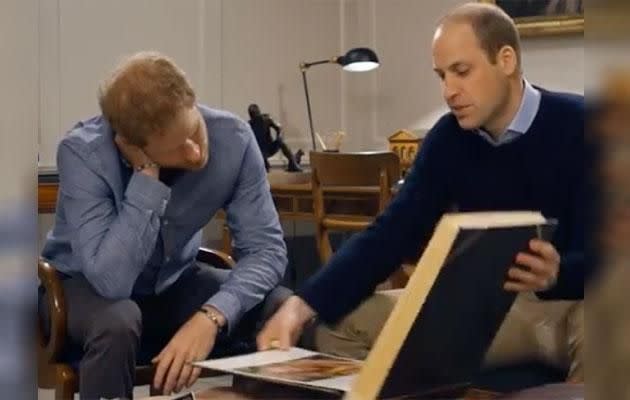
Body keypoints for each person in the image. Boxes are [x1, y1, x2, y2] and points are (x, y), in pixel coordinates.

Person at [258, 2, 586, 383]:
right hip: (487, 310)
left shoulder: (583, 125)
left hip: (575, 305)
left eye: (461, 72)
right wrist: (300, 305)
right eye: (441, 76)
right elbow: (391, 234)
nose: (449, 91)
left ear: (507, 60)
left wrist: (560, 272)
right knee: (337, 325)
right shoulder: (448, 139)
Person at [38, 51, 290, 399]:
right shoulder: (83, 154)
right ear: (130, 146)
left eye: (194, 132)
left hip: (174, 283)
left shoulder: (234, 139)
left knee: (283, 307)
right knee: (118, 320)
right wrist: (147, 181)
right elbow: (111, 282)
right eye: (175, 149)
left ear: (192, 100)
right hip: (79, 290)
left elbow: (267, 251)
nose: (194, 153)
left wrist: (212, 316)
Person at [247, 103, 303, 172]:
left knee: (281, 141)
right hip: (259, 152)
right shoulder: (249, 125)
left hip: (270, 148)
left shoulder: (267, 119)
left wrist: (278, 136)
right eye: (253, 115)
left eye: (256, 114)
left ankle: (293, 163)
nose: (256, 117)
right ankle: (264, 164)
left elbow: (279, 128)